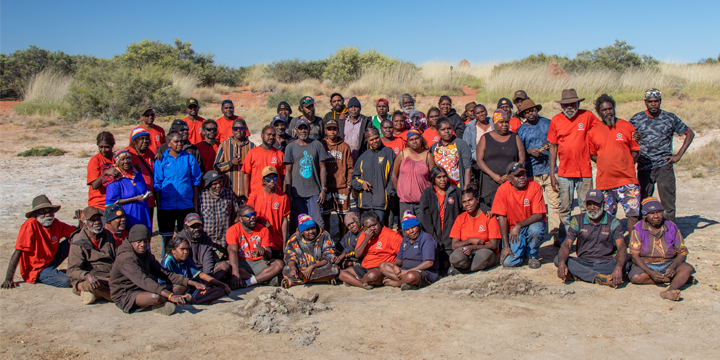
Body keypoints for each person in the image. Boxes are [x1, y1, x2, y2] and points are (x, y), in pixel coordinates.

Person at [629, 88, 695, 223]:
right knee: (643, 200)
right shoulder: (637, 119)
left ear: (660, 102)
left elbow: (690, 133)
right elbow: (624, 137)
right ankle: (644, 231)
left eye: (656, 101)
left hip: (664, 165)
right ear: (645, 102)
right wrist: (633, 139)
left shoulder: (670, 118)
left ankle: (669, 231)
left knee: (668, 202)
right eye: (650, 101)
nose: (653, 104)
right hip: (644, 165)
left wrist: (678, 155)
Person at [110, 224, 199, 315]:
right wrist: (170, 295)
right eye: (139, 242)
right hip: (126, 293)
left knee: (181, 286)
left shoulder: (145, 253)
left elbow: (162, 272)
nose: (143, 245)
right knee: (156, 296)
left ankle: (165, 302)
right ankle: (158, 304)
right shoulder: (126, 258)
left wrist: (190, 282)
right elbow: (143, 280)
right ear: (132, 241)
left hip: (143, 288)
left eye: (146, 241)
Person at [588, 94, 641, 231]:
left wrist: (627, 164)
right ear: (599, 113)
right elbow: (593, 155)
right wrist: (606, 162)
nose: (608, 112)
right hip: (605, 181)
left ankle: (633, 244)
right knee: (607, 216)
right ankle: (609, 246)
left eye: (610, 109)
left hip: (627, 179)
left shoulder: (627, 126)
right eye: (604, 110)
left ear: (614, 108)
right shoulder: (593, 132)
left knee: (633, 214)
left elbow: (635, 150)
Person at [2, 195, 78, 289]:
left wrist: (82, 221)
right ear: (36, 215)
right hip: (37, 269)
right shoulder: (30, 225)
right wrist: (8, 279)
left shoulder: (56, 223)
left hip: (51, 260)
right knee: (67, 281)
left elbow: (77, 232)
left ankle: (76, 269)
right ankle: (50, 276)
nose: (47, 215)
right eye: (43, 212)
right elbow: (18, 251)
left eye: (50, 211)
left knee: (76, 238)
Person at [548, 89, 598, 230]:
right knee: (565, 207)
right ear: (561, 106)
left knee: (586, 206)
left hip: (585, 171)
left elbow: (601, 131)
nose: (569, 107)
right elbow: (553, 148)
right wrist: (552, 174)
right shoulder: (556, 120)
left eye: (572, 104)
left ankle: (588, 236)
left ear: (578, 103)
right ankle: (566, 239)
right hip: (564, 172)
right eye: (566, 105)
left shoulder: (587, 116)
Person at [555, 189, 626, 288]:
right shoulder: (577, 220)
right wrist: (562, 263)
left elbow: (621, 246)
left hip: (607, 263)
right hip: (584, 262)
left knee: (626, 263)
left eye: (596, 204)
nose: (592, 207)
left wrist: (618, 268)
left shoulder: (613, 222)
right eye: (589, 204)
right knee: (558, 259)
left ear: (603, 204)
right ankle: (598, 278)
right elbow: (567, 243)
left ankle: (580, 275)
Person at [628, 198, 695, 301]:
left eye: (659, 212)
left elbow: (682, 253)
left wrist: (673, 267)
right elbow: (635, 256)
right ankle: (675, 279)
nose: (656, 216)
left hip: (668, 263)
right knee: (635, 277)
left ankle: (670, 290)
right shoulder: (638, 228)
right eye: (652, 213)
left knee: (687, 268)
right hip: (647, 264)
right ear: (645, 215)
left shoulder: (671, 226)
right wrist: (650, 272)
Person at [516, 99, 561, 245]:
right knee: (533, 206)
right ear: (523, 114)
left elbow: (556, 143)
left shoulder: (548, 124)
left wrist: (549, 146)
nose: (531, 113)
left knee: (554, 204)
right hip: (531, 173)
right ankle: (534, 237)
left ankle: (556, 235)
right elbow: (519, 152)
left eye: (533, 110)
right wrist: (529, 151)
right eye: (527, 111)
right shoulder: (521, 131)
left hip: (549, 170)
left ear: (537, 110)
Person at [154, 131, 202, 256]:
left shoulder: (189, 157)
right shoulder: (161, 160)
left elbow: (195, 180)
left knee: (185, 235)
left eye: (181, 141)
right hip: (166, 205)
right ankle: (168, 261)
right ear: (168, 143)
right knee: (167, 236)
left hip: (185, 204)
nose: (180, 144)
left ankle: (187, 261)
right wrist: (159, 206)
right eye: (176, 141)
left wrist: (195, 203)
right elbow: (157, 183)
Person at [491, 163, 547, 269]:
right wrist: (506, 246)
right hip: (512, 231)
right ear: (509, 178)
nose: (522, 177)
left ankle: (532, 255)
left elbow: (538, 215)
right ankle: (523, 252)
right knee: (508, 263)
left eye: (524, 174)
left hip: (529, 225)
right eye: (517, 175)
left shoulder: (534, 186)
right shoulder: (502, 190)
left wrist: (519, 226)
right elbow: (501, 218)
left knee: (536, 229)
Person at [284, 118, 329, 230]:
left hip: (314, 192)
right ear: (296, 130)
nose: (303, 131)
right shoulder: (290, 147)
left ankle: (320, 245)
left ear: (309, 129)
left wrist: (323, 189)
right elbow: (288, 171)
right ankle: (300, 246)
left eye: (305, 128)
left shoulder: (317, 145)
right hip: (297, 193)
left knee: (318, 222)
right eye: (301, 128)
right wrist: (289, 193)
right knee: (299, 223)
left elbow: (323, 167)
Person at [338, 211, 402, 289]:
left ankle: (356, 281)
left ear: (379, 222)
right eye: (369, 227)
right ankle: (363, 284)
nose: (372, 229)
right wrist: (366, 239)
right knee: (341, 273)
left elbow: (402, 254)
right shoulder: (364, 234)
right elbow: (357, 255)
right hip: (365, 266)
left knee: (372, 276)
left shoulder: (392, 235)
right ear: (364, 228)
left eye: (374, 225)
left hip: (380, 268)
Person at [226, 205, 284, 288]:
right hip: (241, 262)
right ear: (240, 218)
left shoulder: (263, 229)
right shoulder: (233, 230)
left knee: (279, 264)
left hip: (258, 262)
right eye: (249, 216)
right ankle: (261, 279)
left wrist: (263, 251)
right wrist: (235, 272)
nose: (253, 217)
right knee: (225, 267)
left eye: (254, 214)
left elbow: (268, 257)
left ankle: (248, 282)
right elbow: (232, 251)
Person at [68, 207, 117, 304]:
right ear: (85, 224)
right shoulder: (78, 242)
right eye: (92, 220)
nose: (97, 222)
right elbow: (72, 270)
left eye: (98, 219)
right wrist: (86, 275)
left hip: (110, 273)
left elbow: (116, 256)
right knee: (94, 285)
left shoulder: (107, 235)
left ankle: (95, 294)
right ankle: (81, 287)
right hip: (94, 277)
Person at [477, 109, 526, 207]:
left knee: (511, 208)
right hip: (490, 182)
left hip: (511, 181)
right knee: (493, 210)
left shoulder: (515, 137)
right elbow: (479, 160)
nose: (504, 124)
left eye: (506, 122)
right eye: (501, 122)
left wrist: (510, 175)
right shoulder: (485, 138)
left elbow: (522, 160)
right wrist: (494, 175)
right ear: (494, 123)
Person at [418, 167, 463, 273]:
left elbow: (468, 205)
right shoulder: (427, 193)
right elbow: (425, 219)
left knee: (448, 265)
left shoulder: (455, 192)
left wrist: (486, 209)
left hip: (451, 237)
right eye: (439, 177)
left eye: (444, 176)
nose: (442, 179)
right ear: (433, 179)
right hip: (434, 237)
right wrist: (434, 239)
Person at [160, 237, 230, 304]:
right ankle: (187, 300)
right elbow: (166, 283)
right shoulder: (168, 262)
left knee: (222, 290)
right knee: (181, 286)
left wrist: (222, 284)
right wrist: (194, 284)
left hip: (189, 290)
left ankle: (192, 301)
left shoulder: (185, 259)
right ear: (173, 251)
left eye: (187, 249)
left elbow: (200, 274)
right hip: (173, 291)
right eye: (182, 249)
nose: (186, 252)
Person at [379, 211, 439, 290]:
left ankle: (398, 283)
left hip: (423, 272)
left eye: (413, 227)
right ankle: (406, 282)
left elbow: (429, 263)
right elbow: (399, 260)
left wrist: (408, 271)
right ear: (404, 232)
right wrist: (395, 266)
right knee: (383, 266)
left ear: (418, 226)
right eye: (407, 230)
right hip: (405, 270)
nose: (411, 231)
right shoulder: (405, 240)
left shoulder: (426, 238)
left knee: (411, 276)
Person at [449, 188, 501, 274]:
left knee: (483, 257)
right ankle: (470, 268)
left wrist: (473, 247)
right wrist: (470, 241)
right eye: (464, 202)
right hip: (468, 253)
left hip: (486, 251)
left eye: (470, 200)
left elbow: (493, 245)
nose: (467, 204)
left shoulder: (489, 216)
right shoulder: (460, 218)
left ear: (477, 199)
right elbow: (454, 245)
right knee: (455, 257)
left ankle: (464, 270)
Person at [281, 214, 340, 288]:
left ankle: (296, 281)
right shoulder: (294, 239)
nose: (311, 232)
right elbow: (290, 256)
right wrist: (293, 268)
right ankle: (324, 279)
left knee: (334, 268)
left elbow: (329, 256)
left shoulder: (324, 235)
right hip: (302, 268)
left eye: (313, 228)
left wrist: (312, 266)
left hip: (319, 266)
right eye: (307, 230)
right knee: (287, 270)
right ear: (302, 232)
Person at [351, 128, 396, 223]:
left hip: (381, 201)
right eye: (371, 139)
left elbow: (393, 175)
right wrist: (362, 183)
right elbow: (355, 177)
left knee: (379, 227)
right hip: (366, 202)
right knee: (368, 228)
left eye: (376, 138)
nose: (375, 141)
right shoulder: (363, 157)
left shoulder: (388, 153)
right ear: (367, 140)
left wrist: (389, 193)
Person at [170, 213, 232, 280]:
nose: (197, 229)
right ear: (186, 228)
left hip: (203, 271)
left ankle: (208, 284)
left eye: (198, 226)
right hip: (187, 271)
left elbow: (208, 261)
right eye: (193, 226)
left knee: (224, 265)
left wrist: (207, 277)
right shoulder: (180, 239)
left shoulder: (206, 239)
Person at [246, 167, 290, 260]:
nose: (272, 181)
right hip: (260, 241)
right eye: (268, 179)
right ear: (263, 181)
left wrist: (285, 242)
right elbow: (248, 216)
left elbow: (284, 220)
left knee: (278, 266)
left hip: (277, 240)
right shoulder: (255, 195)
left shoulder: (283, 197)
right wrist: (260, 222)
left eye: (274, 178)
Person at [105, 149, 152, 231]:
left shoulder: (137, 173)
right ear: (117, 162)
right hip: (127, 216)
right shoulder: (114, 178)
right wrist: (135, 199)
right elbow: (112, 202)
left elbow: (143, 190)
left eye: (128, 158)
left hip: (142, 213)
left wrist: (147, 195)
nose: (126, 161)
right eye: (122, 159)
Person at [321, 119, 353, 237]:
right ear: (325, 131)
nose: (332, 132)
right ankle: (327, 240)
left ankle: (343, 239)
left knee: (343, 216)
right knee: (326, 216)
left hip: (342, 187)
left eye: (334, 129)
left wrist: (348, 185)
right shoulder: (322, 145)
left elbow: (350, 166)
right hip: (327, 188)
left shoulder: (344, 146)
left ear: (338, 130)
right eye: (329, 129)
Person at [392, 129, 434, 216]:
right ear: (407, 142)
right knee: (407, 227)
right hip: (405, 202)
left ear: (421, 139)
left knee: (424, 227)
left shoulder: (428, 156)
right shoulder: (402, 154)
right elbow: (394, 176)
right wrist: (400, 193)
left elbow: (433, 178)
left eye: (416, 138)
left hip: (423, 201)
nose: (414, 141)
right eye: (411, 140)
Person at [198, 170, 238, 259]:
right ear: (208, 185)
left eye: (220, 182)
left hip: (225, 241)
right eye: (215, 184)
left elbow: (236, 214)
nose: (218, 185)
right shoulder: (201, 197)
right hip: (207, 242)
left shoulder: (229, 194)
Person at [214, 118, 255, 201]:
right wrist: (230, 163)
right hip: (228, 192)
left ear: (245, 130)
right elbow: (216, 166)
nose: (238, 131)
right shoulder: (224, 145)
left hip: (246, 193)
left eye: (241, 128)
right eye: (236, 129)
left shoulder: (251, 146)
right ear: (232, 130)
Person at [241, 125, 285, 196]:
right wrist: (246, 195)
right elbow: (246, 175)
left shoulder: (280, 154)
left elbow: (284, 177)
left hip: (275, 194)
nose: (271, 137)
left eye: (273, 135)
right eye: (269, 134)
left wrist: (283, 194)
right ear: (262, 135)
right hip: (256, 194)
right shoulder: (252, 153)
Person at [430, 118, 473, 191]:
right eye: (443, 129)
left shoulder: (461, 144)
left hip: (458, 187)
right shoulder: (434, 147)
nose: (447, 131)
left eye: (449, 128)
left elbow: (467, 168)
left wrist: (466, 187)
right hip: (440, 188)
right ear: (438, 132)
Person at [127, 127, 156, 222]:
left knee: (148, 226)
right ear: (134, 141)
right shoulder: (128, 153)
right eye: (141, 139)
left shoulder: (150, 153)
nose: (145, 141)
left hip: (149, 196)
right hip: (134, 198)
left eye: (147, 139)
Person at [87, 131, 117, 210]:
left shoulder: (117, 158)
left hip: (116, 201)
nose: (103, 150)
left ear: (112, 145)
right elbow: (95, 185)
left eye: (106, 147)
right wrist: (106, 173)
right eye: (100, 147)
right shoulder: (95, 160)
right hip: (99, 204)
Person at [338, 97, 372, 161]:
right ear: (348, 109)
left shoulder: (366, 122)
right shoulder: (342, 121)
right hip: (344, 156)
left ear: (360, 108)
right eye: (351, 107)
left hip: (360, 156)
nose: (353, 109)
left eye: (356, 107)